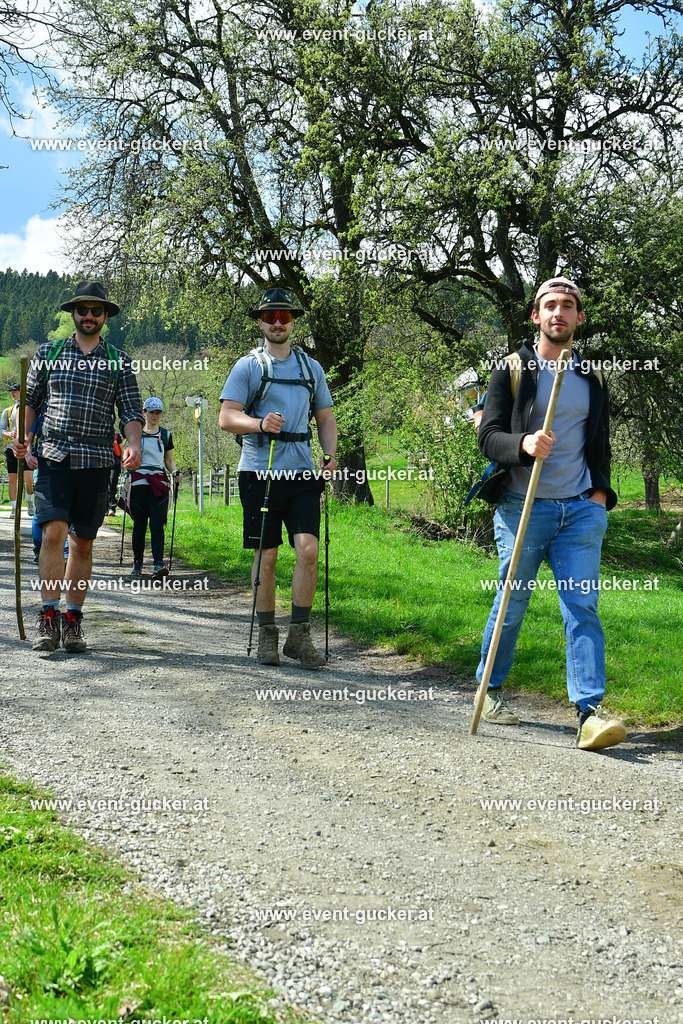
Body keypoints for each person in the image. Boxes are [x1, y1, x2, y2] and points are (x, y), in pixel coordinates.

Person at [475, 277, 626, 751]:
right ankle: (490, 691)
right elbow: (488, 436)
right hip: (522, 507)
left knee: (582, 607)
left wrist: (600, 496)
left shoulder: (593, 377)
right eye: (550, 306)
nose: (558, 313)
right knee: (512, 603)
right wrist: (522, 444)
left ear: (579, 318)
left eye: (568, 306)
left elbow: (598, 444)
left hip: (580, 510)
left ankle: (589, 713)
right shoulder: (512, 369)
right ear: (535, 316)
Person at [12, 280, 143, 653]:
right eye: (83, 310)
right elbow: (31, 402)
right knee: (53, 533)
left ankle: (73, 622)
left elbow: (131, 410)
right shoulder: (49, 352)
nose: (89, 316)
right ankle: (48, 616)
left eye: (96, 311)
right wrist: (24, 435)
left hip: (98, 461)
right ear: (73, 313)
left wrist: (133, 443)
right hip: (54, 456)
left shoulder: (119, 360)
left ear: (105, 316)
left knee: (82, 543)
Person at [219, 287, 338, 669]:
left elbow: (326, 418)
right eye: (270, 316)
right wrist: (257, 423)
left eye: (284, 316)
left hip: (302, 471)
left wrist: (331, 453)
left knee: (309, 550)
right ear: (260, 322)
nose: (277, 322)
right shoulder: (248, 366)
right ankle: (268, 635)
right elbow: (226, 417)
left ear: (293, 322)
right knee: (266, 556)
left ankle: (298, 637)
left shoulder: (311, 368)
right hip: (259, 471)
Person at [127, 397, 180, 581]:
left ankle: (159, 564)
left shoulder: (165, 434)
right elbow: (127, 456)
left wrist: (175, 472)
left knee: (157, 524)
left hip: (159, 483)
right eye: (151, 412)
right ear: (144, 413)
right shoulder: (135, 434)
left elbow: (169, 460)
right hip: (139, 481)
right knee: (139, 524)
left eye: (158, 413)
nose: (154, 416)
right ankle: (137, 563)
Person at [2, 382, 35, 518]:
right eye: (12, 391)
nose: (12, 394)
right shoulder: (8, 411)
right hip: (11, 448)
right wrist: (9, 434)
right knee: (12, 478)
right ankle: (14, 508)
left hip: (27, 448)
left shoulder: (30, 408)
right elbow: (1, 429)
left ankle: (29, 500)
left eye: (15, 391)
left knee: (28, 478)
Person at [106, 431, 124, 515]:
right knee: (103, 485)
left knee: (112, 484)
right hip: (104, 464)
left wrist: (124, 462)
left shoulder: (116, 436)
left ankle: (112, 507)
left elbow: (121, 450)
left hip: (115, 464)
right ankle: (104, 508)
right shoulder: (101, 433)